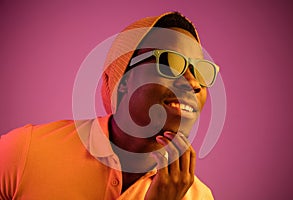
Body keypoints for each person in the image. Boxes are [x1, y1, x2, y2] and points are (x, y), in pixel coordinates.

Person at [0, 11, 219, 199]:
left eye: (200, 71)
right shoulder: (25, 152)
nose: (193, 82)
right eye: (171, 62)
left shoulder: (200, 196)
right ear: (123, 80)